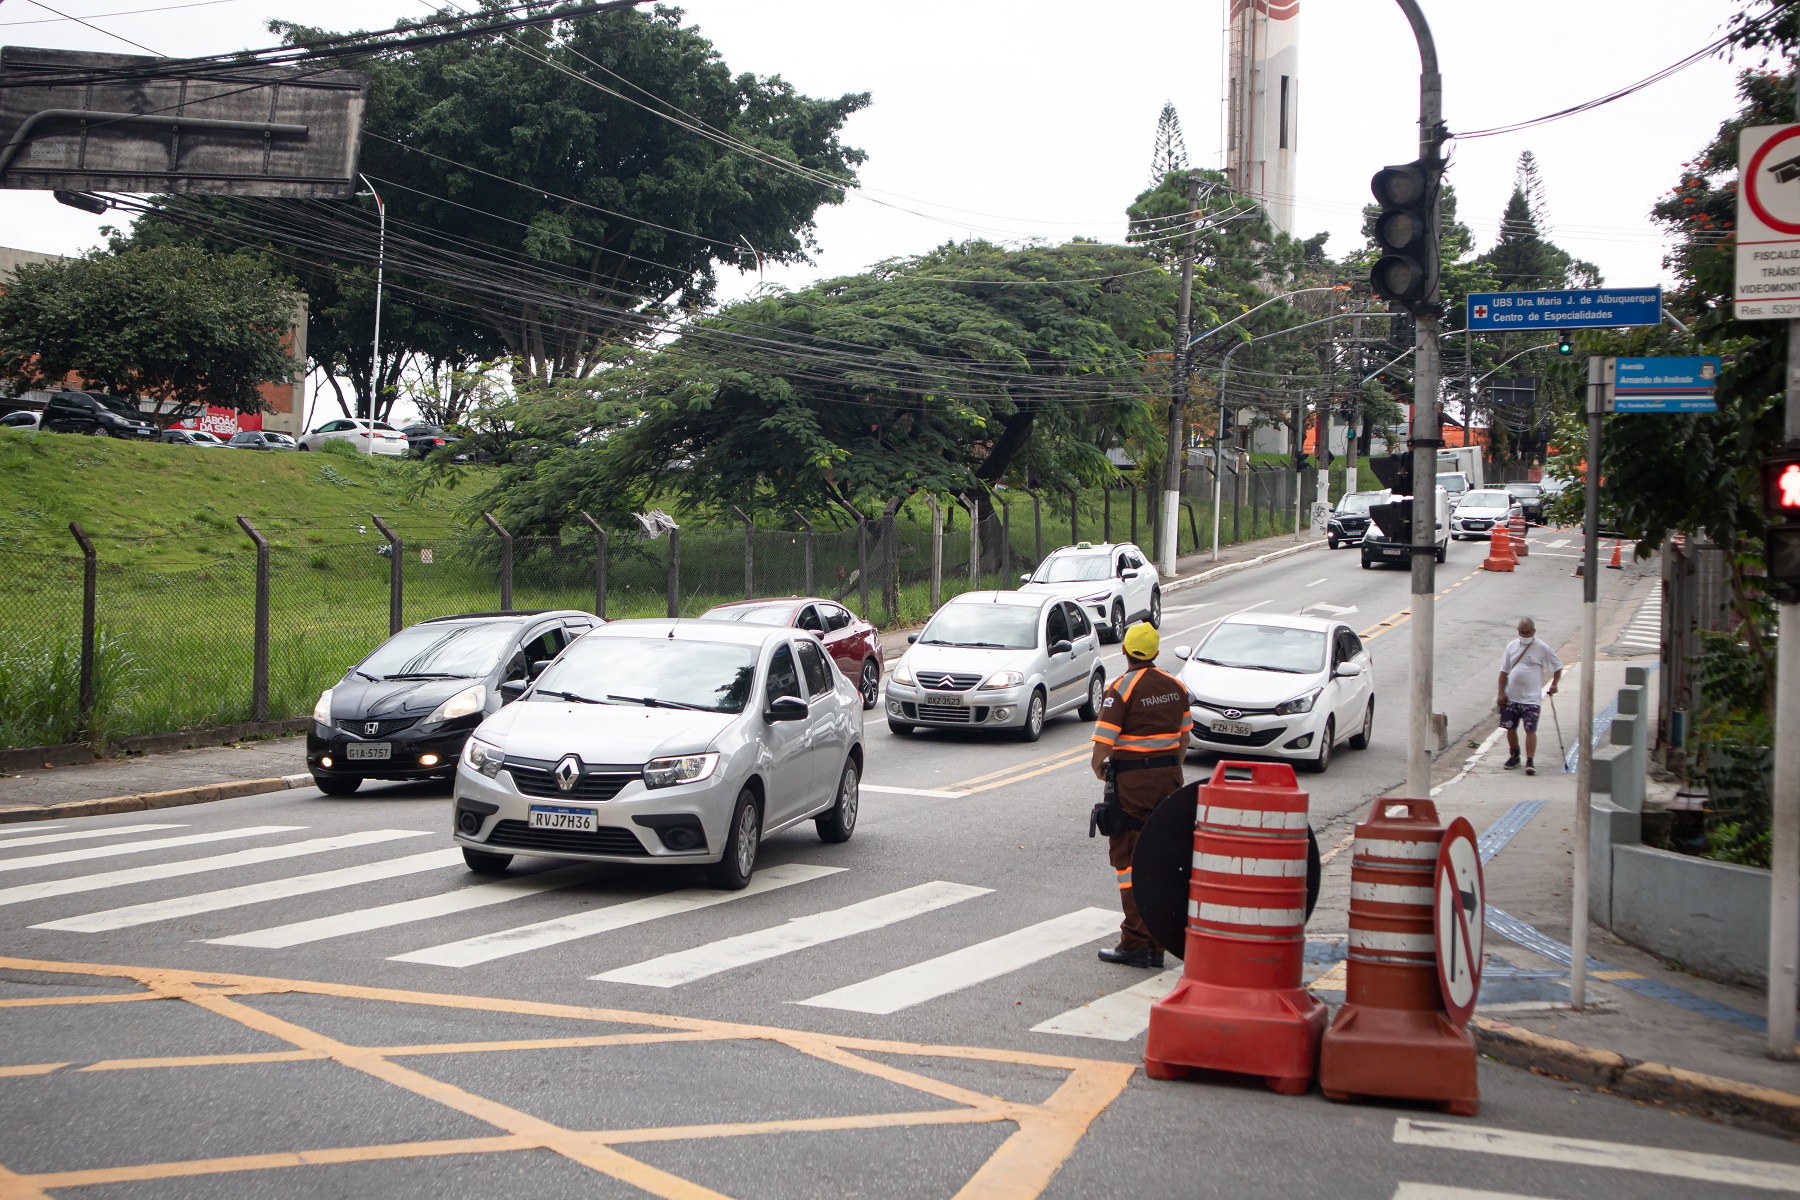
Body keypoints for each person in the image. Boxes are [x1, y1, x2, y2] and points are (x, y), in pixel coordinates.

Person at [1090, 621, 1191, 967]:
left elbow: (1102, 748)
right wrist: (1170, 770)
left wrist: (1099, 768)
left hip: (1132, 790)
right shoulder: (1176, 687)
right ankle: (1156, 943)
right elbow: (1184, 740)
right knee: (1161, 862)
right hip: (1169, 787)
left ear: (1124, 651)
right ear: (1156, 653)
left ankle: (1134, 942)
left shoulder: (1120, 689)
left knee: (1128, 864)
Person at [1497, 616, 1563, 776]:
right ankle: (1514, 755)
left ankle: (1530, 760)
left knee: (1530, 729)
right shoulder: (1512, 646)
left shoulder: (1542, 648)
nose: (1525, 636)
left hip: (1531, 699)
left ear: (1533, 632)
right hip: (1512, 697)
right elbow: (1504, 671)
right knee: (1510, 728)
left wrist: (1554, 684)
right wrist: (1500, 692)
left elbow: (1558, 666)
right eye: (1522, 632)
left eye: (1528, 633)